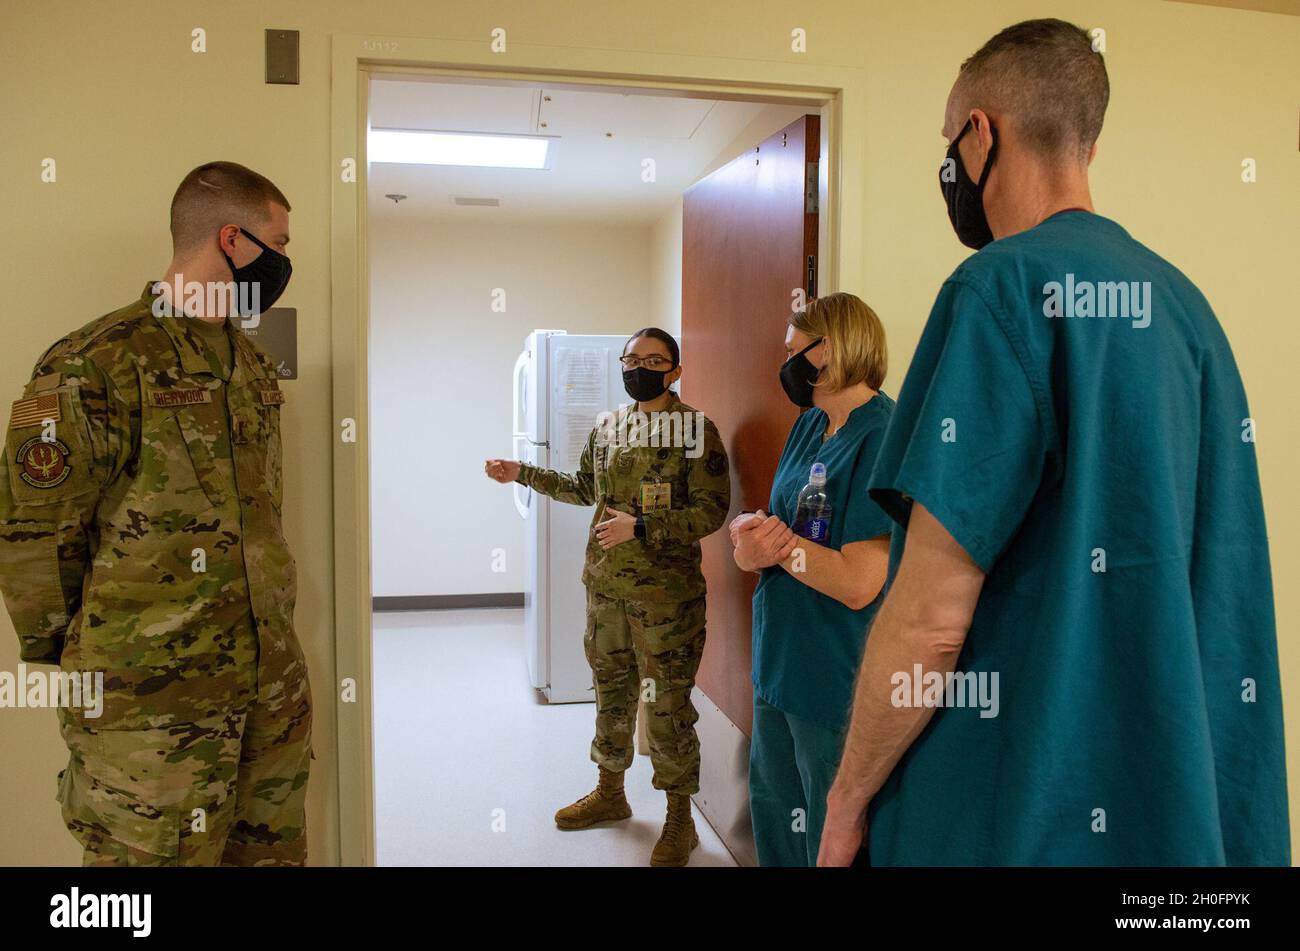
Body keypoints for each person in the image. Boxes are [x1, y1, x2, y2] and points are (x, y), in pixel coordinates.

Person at [819, 18, 1289, 866]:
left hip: (1017, 808)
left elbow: (929, 620)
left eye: (948, 144)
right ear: (1087, 149)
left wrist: (846, 800)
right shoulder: (1187, 313)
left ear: (981, 133)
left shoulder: (998, 291)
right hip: (1170, 812)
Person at [0, 161, 312, 865]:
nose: (288, 260)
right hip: (150, 716)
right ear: (232, 240)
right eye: (281, 242)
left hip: (269, 696)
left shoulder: (252, 364)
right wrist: (96, 662)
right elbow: (31, 536)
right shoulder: (88, 363)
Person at [485, 327, 729, 866]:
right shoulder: (609, 425)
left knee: (666, 706)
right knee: (611, 693)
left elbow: (711, 512)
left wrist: (641, 527)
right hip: (606, 591)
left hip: (667, 601)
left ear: (676, 370)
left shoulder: (695, 431)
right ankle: (611, 794)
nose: (639, 367)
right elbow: (583, 488)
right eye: (632, 358)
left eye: (654, 359)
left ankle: (679, 820)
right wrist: (520, 473)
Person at [729, 293, 894, 866]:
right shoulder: (810, 426)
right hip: (780, 654)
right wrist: (752, 550)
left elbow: (858, 581)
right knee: (775, 804)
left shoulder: (883, 436)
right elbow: (780, 528)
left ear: (830, 349)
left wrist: (777, 548)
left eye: (794, 350)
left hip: (835, 668)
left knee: (829, 826)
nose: (787, 363)